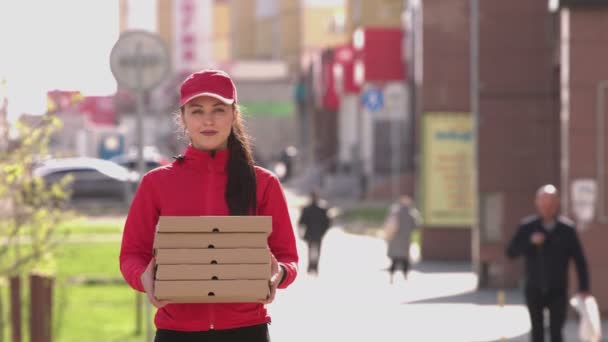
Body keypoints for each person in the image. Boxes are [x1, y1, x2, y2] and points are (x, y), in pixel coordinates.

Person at [119, 69, 299, 342]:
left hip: (247, 331)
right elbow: (132, 254)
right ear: (183, 118)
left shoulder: (264, 184)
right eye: (197, 111)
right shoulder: (156, 183)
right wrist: (142, 278)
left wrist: (279, 274)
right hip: (176, 332)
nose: (208, 120)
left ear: (234, 115)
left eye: (218, 109)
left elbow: (288, 257)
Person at [506, 184, 590, 342]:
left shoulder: (567, 229)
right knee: (537, 331)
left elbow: (580, 260)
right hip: (534, 287)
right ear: (537, 202)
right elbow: (511, 252)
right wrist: (530, 242)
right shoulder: (527, 227)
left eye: (551, 202)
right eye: (544, 202)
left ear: (557, 203)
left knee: (556, 331)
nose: (547, 206)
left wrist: (584, 288)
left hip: (558, 288)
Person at [383, 195, 420, 284]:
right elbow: (416, 226)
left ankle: (391, 276)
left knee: (394, 259)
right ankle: (405, 276)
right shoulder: (411, 213)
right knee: (404, 259)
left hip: (394, 239)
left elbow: (388, 224)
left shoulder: (394, 211)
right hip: (405, 239)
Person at [297, 190, 331, 274]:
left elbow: (301, 222)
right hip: (316, 234)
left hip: (313, 233)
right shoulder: (318, 209)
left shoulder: (318, 209)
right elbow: (302, 222)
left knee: (313, 250)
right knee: (315, 250)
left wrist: (301, 233)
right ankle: (313, 267)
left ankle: (312, 267)